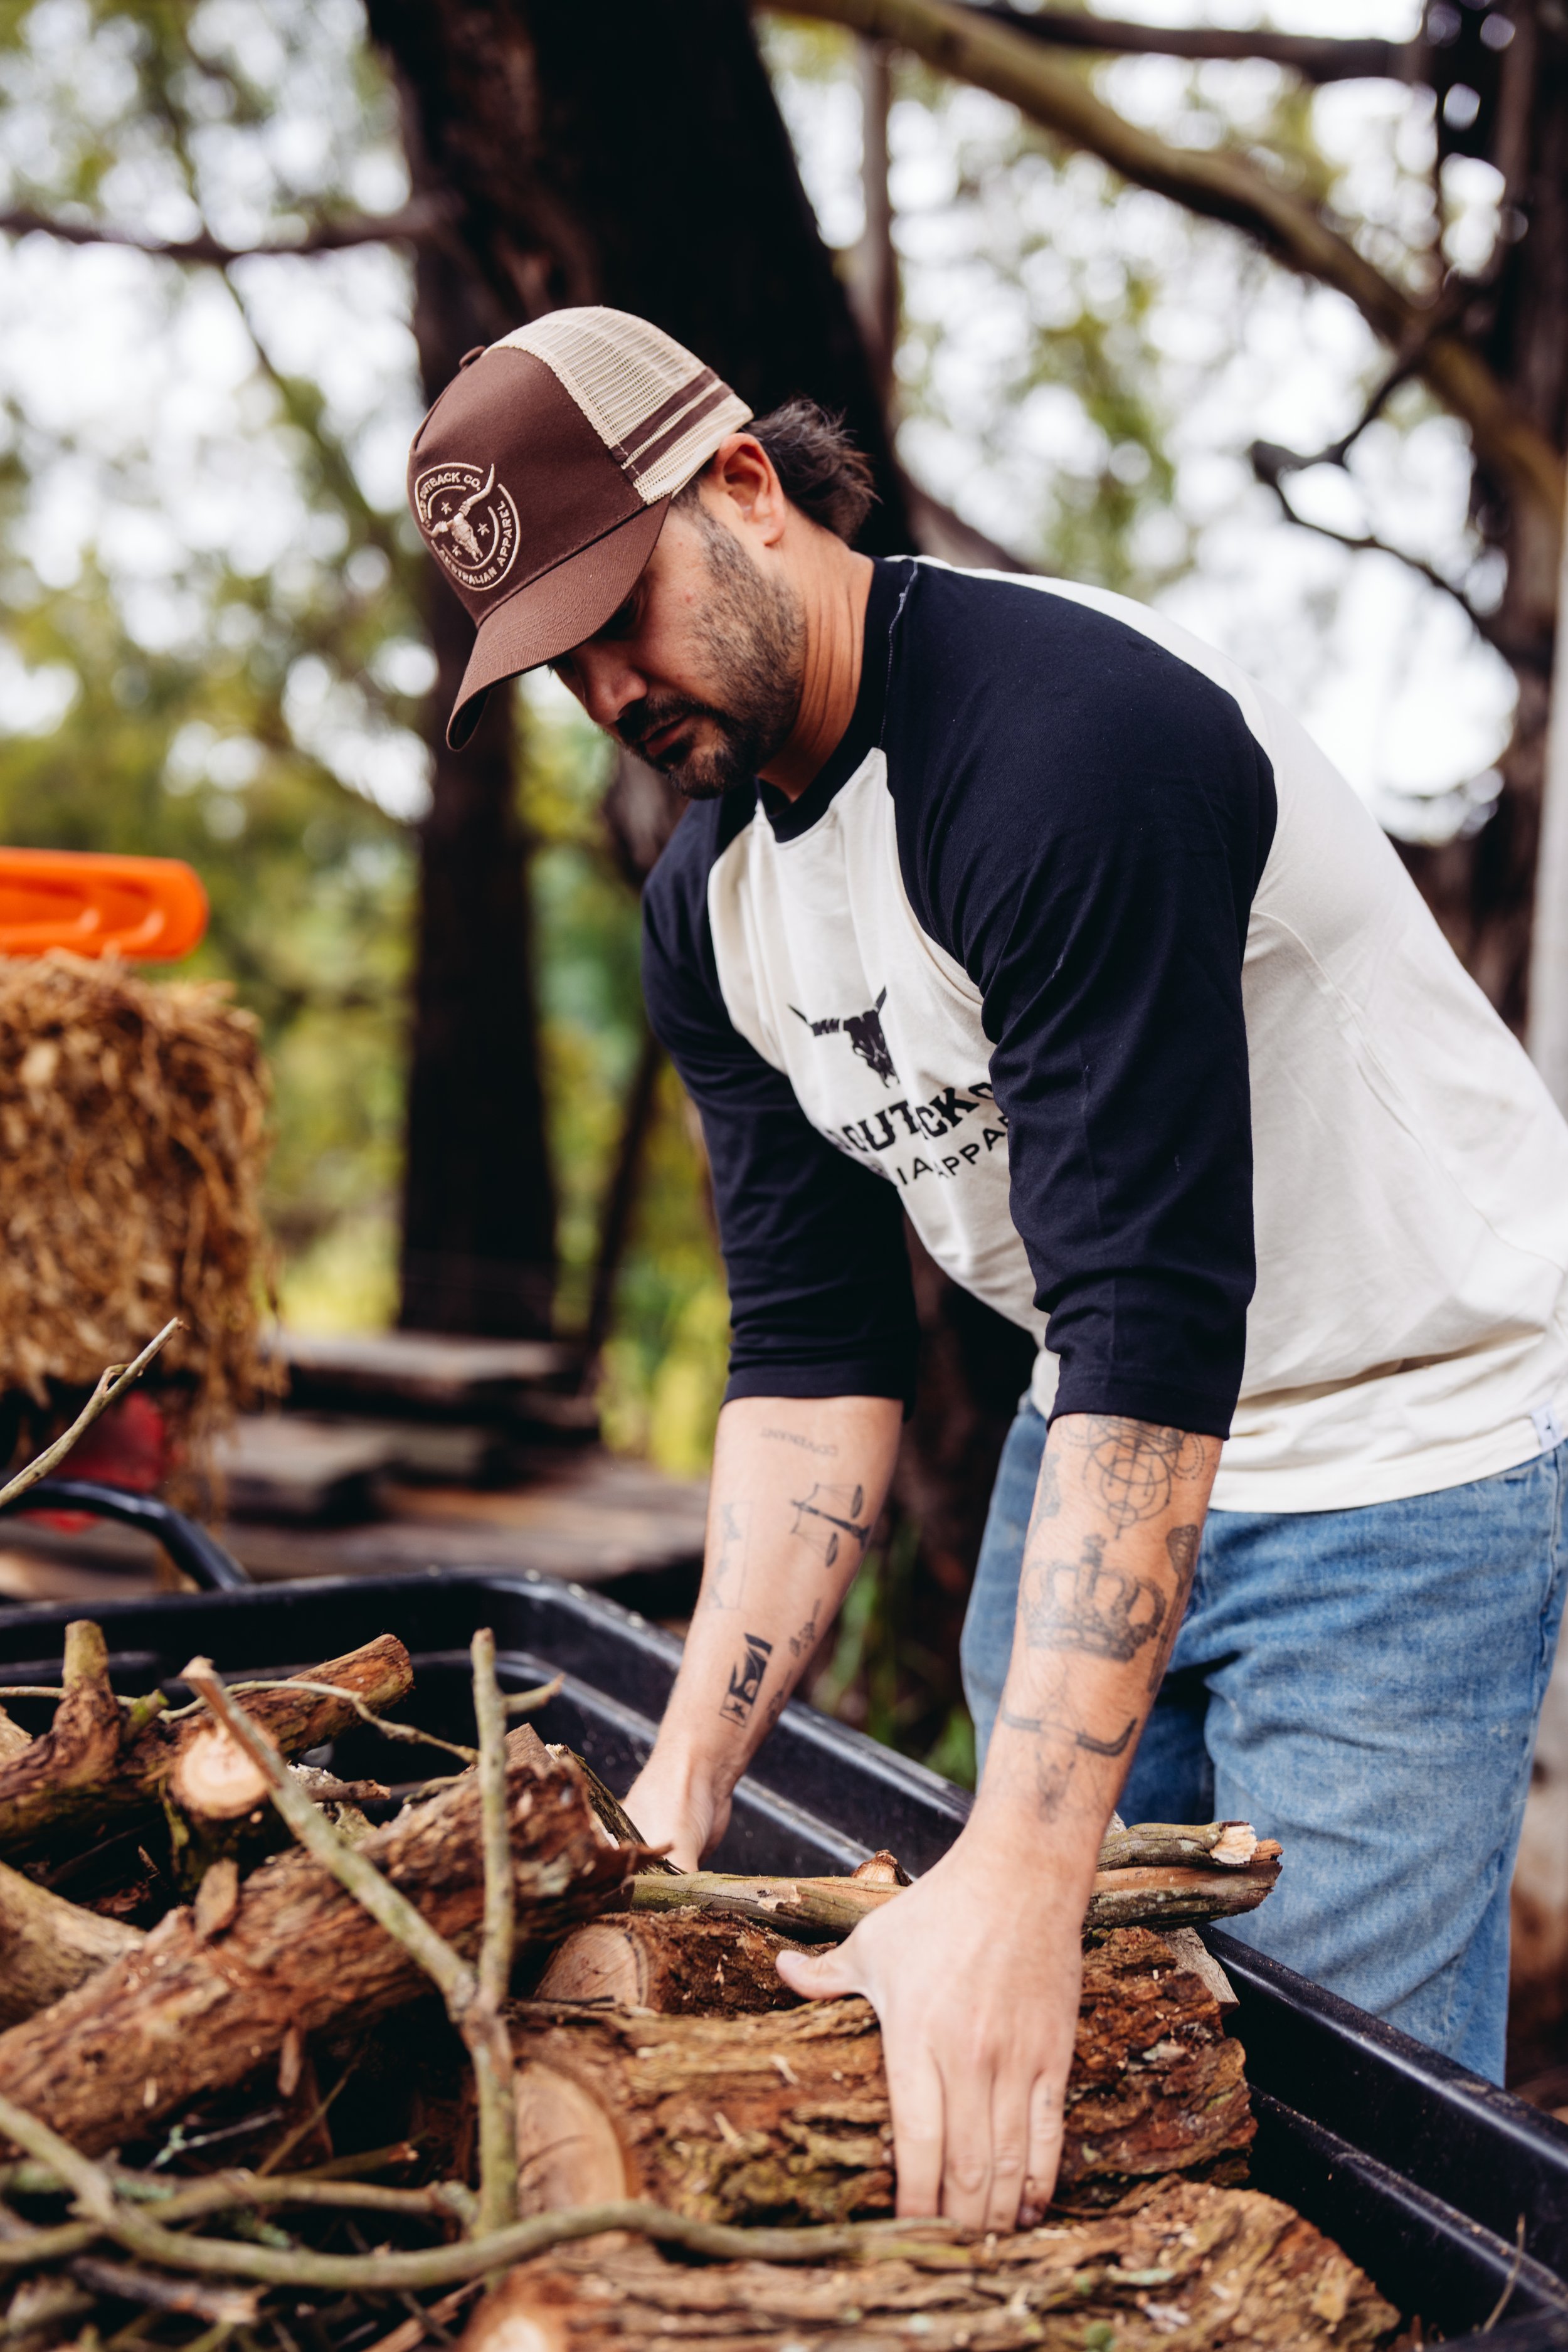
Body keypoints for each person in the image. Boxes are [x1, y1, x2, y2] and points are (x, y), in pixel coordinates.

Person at [405, 305, 1568, 2230]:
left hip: (1393, 1455)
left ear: (744, 488)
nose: (607, 688)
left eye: (617, 609)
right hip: (1089, 1426)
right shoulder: (713, 905)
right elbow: (807, 1360)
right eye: (554, 660)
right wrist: (679, 1784)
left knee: (1335, 2149)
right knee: (1083, 2079)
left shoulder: (1064, 745)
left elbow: (1153, 1307)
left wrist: (1020, 1876)